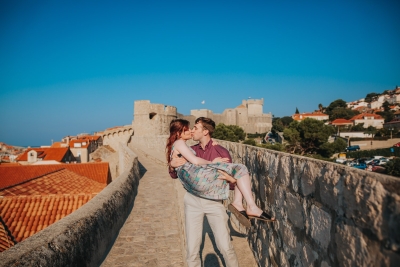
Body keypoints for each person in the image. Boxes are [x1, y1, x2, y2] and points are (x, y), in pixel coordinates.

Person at [167, 117, 274, 267]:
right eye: (190, 128)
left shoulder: (221, 151)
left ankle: (242, 205)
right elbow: (175, 174)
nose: (192, 130)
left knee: (225, 247)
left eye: (195, 128)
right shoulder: (192, 149)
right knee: (191, 249)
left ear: (205, 131)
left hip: (213, 203)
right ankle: (245, 205)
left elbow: (232, 184)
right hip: (192, 201)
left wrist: (231, 179)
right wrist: (171, 165)